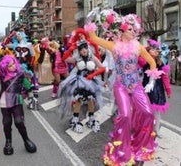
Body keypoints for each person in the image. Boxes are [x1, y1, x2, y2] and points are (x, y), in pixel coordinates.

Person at [85, 11, 159, 165]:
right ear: (122, 31)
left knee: (148, 114)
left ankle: (140, 149)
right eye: (130, 29)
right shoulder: (114, 46)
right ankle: (121, 152)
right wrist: (89, 19)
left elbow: (152, 62)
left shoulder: (138, 47)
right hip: (121, 87)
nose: (134, 32)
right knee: (124, 116)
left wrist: (151, 81)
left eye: (135, 30)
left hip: (137, 86)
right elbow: (92, 38)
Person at [58, 38, 105, 134]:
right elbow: (64, 59)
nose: (83, 50)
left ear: (88, 48)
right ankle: (75, 120)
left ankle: (91, 119)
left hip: (91, 82)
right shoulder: (77, 58)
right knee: (79, 101)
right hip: (80, 82)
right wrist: (71, 49)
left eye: (85, 48)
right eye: (81, 49)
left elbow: (102, 68)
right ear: (78, 51)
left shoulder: (93, 57)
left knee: (90, 100)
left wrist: (93, 74)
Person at [0, 55, 37, 155]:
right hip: (4, 101)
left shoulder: (20, 74)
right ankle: (8, 143)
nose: (13, 66)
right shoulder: (2, 75)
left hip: (16, 100)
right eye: (9, 66)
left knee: (19, 122)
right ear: (5, 67)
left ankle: (26, 140)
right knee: (6, 122)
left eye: (14, 64)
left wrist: (27, 92)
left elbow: (28, 86)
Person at [142, 39, 171, 138]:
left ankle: (156, 130)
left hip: (157, 89)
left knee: (157, 112)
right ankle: (145, 129)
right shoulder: (144, 61)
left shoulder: (160, 63)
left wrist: (168, 90)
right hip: (145, 88)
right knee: (146, 110)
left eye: (156, 50)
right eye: (153, 49)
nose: (155, 51)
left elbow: (165, 77)